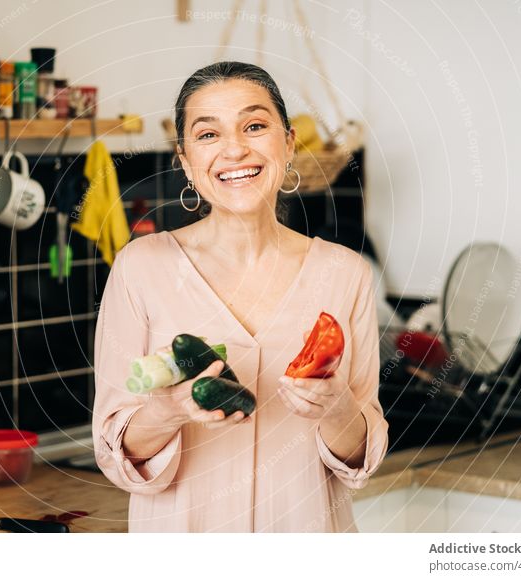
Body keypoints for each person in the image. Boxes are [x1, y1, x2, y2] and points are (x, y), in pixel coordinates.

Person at [91, 61, 388, 532]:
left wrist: (336, 407)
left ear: (288, 143)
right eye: (208, 134)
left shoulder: (345, 273)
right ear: (185, 160)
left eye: (254, 126)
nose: (234, 149)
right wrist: (166, 411)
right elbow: (115, 452)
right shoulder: (140, 267)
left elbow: (357, 460)